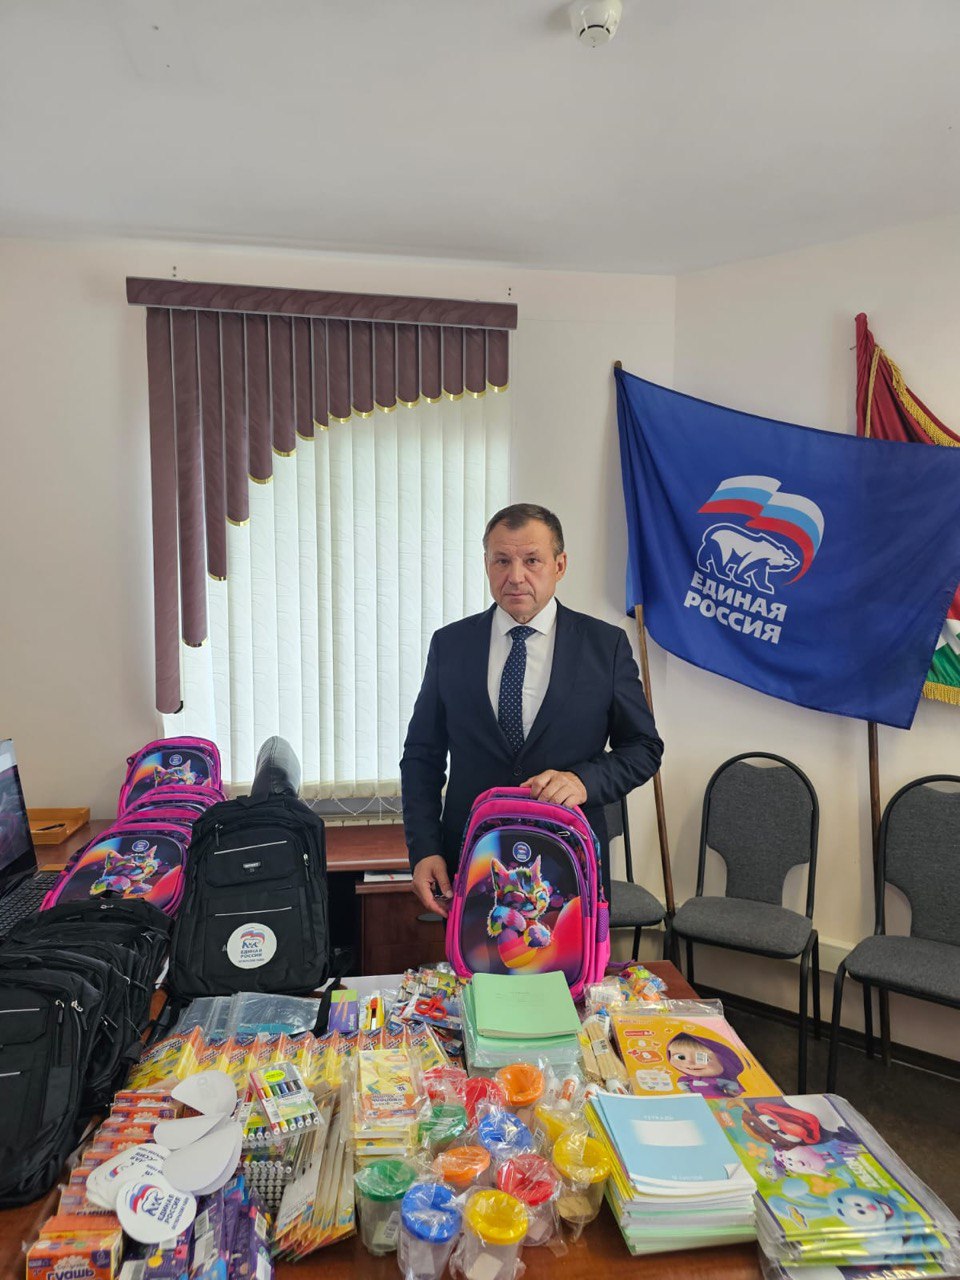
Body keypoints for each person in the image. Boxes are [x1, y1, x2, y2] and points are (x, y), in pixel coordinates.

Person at [401, 502, 664, 917]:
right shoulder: (450, 645)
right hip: (472, 857)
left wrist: (584, 780)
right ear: (487, 565)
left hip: (568, 862)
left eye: (532, 560)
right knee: (474, 961)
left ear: (560, 565)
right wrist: (424, 849)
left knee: (569, 963)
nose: (516, 576)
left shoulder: (604, 646)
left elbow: (644, 748)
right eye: (502, 560)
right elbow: (421, 755)